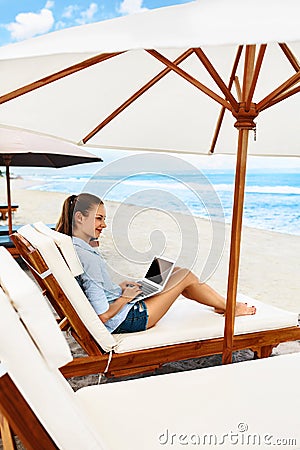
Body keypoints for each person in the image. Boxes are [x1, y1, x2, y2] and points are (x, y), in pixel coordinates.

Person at [56, 193, 256, 334]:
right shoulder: (87, 256)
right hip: (128, 319)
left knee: (176, 271)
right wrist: (126, 298)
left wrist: (119, 288)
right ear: (80, 218)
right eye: (99, 218)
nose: (104, 225)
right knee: (185, 276)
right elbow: (102, 317)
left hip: (123, 308)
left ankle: (223, 305)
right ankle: (230, 307)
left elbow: (93, 288)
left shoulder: (74, 247)